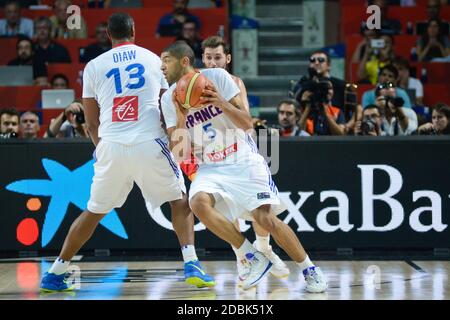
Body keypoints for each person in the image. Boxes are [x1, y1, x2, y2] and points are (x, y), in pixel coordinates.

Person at [40, 13, 214, 293]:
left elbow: (91, 122)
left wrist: (102, 149)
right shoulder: (154, 59)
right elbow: (164, 107)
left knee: (94, 211)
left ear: (108, 34)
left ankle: (56, 271)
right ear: (133, 30)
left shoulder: (94, 66)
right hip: (149, 141)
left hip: (111, 145)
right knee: (179, 201)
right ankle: (191, 263)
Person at [160, 41, 327, 292]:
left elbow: (248, 124)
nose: (161, 67)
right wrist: (181, 113)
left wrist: (220, 102)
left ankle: (309, 268)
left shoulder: (217, 77)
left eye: (166, 60)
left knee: (266, 219)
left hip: (241, 157)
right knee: (197, 202)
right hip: (210, 165)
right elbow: (180, 151)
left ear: (184, 61)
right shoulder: (168, 98)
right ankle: (251, 256)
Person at [201, 35, 291, 279]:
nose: (212, 62)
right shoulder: (192, 86)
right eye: (208, 57)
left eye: (217, 57)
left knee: (260, 207)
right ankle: (243, 258)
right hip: (210, 156)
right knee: (225, 209)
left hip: (240, 150)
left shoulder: (234, 82)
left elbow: (245, 121)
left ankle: (264, 248)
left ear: (227, 58)